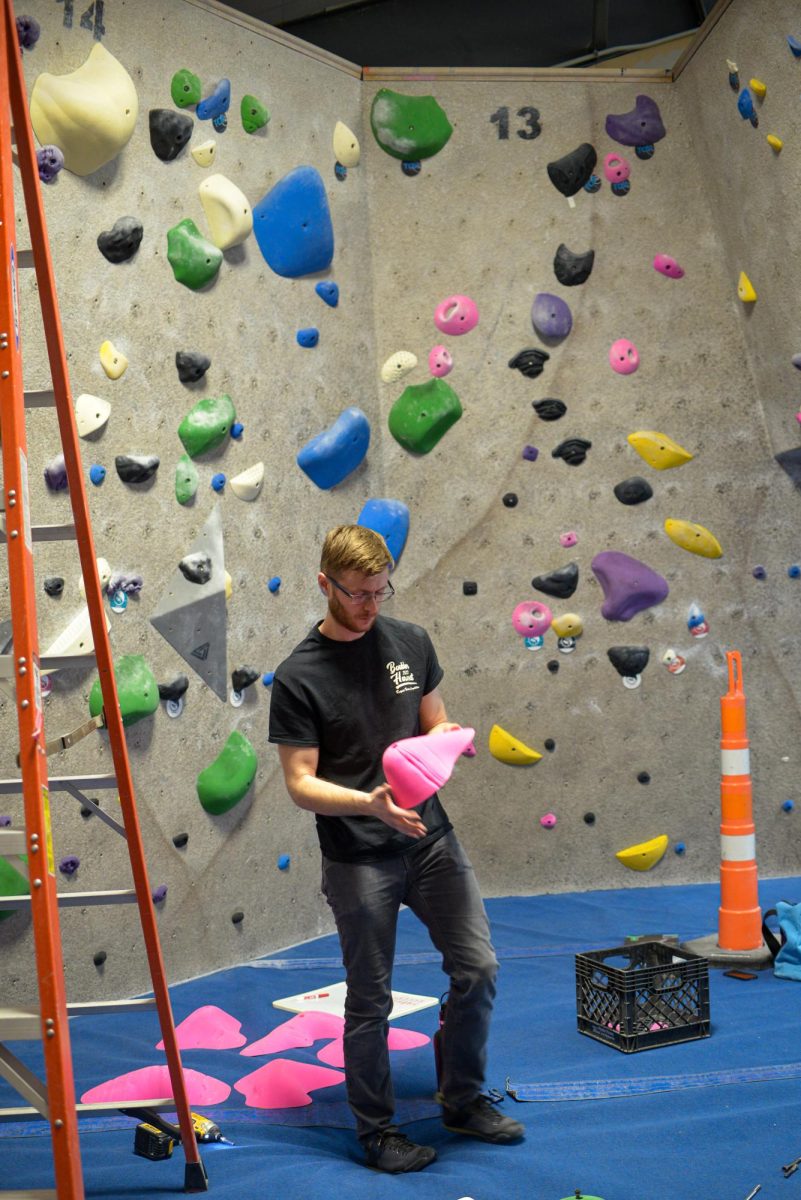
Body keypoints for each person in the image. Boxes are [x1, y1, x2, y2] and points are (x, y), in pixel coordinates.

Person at [268, 524, 524, 1173]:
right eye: (357, 594)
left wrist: (446, 743)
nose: (370, 605)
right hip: (358, 854)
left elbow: (435, 720)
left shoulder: (409, 641)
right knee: (369, 998)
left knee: (479, 968)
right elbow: (299, 784)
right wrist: (370, 803)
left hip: (431, 838)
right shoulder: (299, 676)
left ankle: (461, 1098)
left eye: (380, 590)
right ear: (324, 584)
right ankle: (377, 1131)